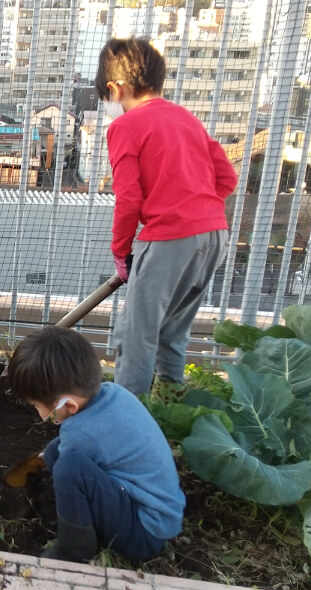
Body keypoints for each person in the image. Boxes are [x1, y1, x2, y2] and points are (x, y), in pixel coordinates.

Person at [96, 38, 237, 397]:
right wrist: (195, 207)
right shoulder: (185, 117)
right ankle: (171, 408)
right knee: (172, 332)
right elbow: (227, 179)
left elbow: (128, 197)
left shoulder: (125, 127)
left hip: (171, 238)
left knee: (136, 334)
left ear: (115, 88)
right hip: (214, 235)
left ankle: (128, 423)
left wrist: (120, 251)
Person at [7, 325, 184, 563]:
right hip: (162, 514)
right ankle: (44, 493)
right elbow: (64, 449)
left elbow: (71, 465)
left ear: (68, 407)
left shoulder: (79, 433)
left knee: (69, 468)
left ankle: (75, 548)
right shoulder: (113, 393)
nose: (38, 413)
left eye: (37, 406)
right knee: (57, 452)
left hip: (144, 533)